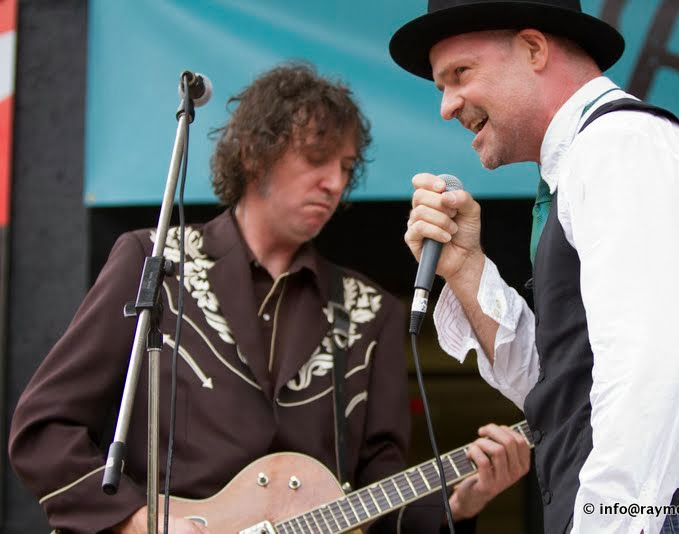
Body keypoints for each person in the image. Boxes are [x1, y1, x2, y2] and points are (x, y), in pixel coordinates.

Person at [8, 62, 530, 533]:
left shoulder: (370, 311)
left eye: (346, 167)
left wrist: (459, 504)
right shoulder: (155, 260)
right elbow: (44, 429)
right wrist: (138, 520)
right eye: (317, 158)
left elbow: (379, 493)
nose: (335, 182)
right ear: (253, 153)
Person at [389, 0, 679, 532]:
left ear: (534, 48)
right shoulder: (591, 156)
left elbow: (644, 372)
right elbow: (565, 388)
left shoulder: (619, 143)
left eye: (460, 73)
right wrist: (466, 268)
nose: (447, 106)